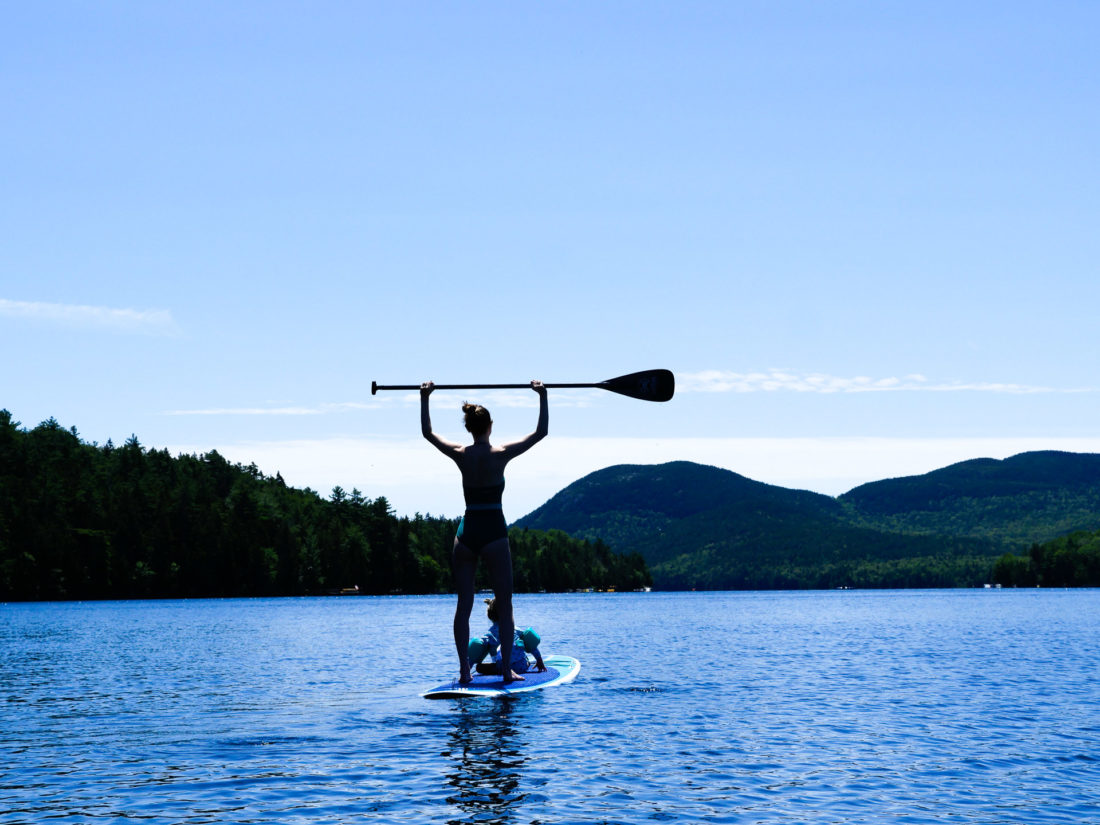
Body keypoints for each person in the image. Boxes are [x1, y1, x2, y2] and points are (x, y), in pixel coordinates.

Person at [421, 378, 548, 684]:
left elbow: (427, 433)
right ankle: (506, 671)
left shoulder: (460, 453)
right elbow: (541, 432)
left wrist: (425, 397)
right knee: (505, 604)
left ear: (469, 427)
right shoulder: (501, 453)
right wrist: (542, 395)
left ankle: (465, 671)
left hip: (466, 533)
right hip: (492, 530)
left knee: (463, 605)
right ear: (490, 425)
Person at [473, 597, 547, 677]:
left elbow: (477, 651)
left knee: (479, 667)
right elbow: (531, 646)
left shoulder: (490, 635)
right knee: (526, 660)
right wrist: (539, 660)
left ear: (489, 616)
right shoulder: (516, 630)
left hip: (501, 668)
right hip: (521, 666)